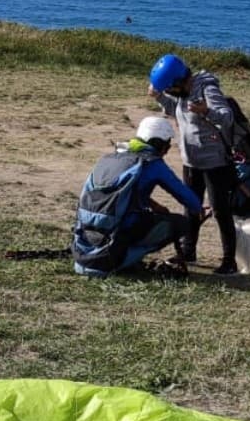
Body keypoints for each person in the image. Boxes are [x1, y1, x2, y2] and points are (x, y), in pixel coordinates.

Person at [72, 115, 205, 278]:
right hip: (118, 235)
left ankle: (115, 254)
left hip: (89, 236)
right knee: (180, 223)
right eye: (167, 144)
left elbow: (123, 191)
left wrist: (153, 204)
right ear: (158, 143)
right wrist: (199, 208)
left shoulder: (113, 158)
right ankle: (125, 259)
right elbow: (188, 199)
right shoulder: (153, 163)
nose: (167, 149)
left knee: (141, 218)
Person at [149, 52, 239, 275]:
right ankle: (189, 252)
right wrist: (159, 98)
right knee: (191, 206)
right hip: (191, 161)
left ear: (178, 81)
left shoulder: (206, 88)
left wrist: (205, 111)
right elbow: (178, 112)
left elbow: (227, 116)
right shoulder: (182, 94)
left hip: (214, 162)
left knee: (220, 211)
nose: (169, 93)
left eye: (169, 89)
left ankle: (229, 261)